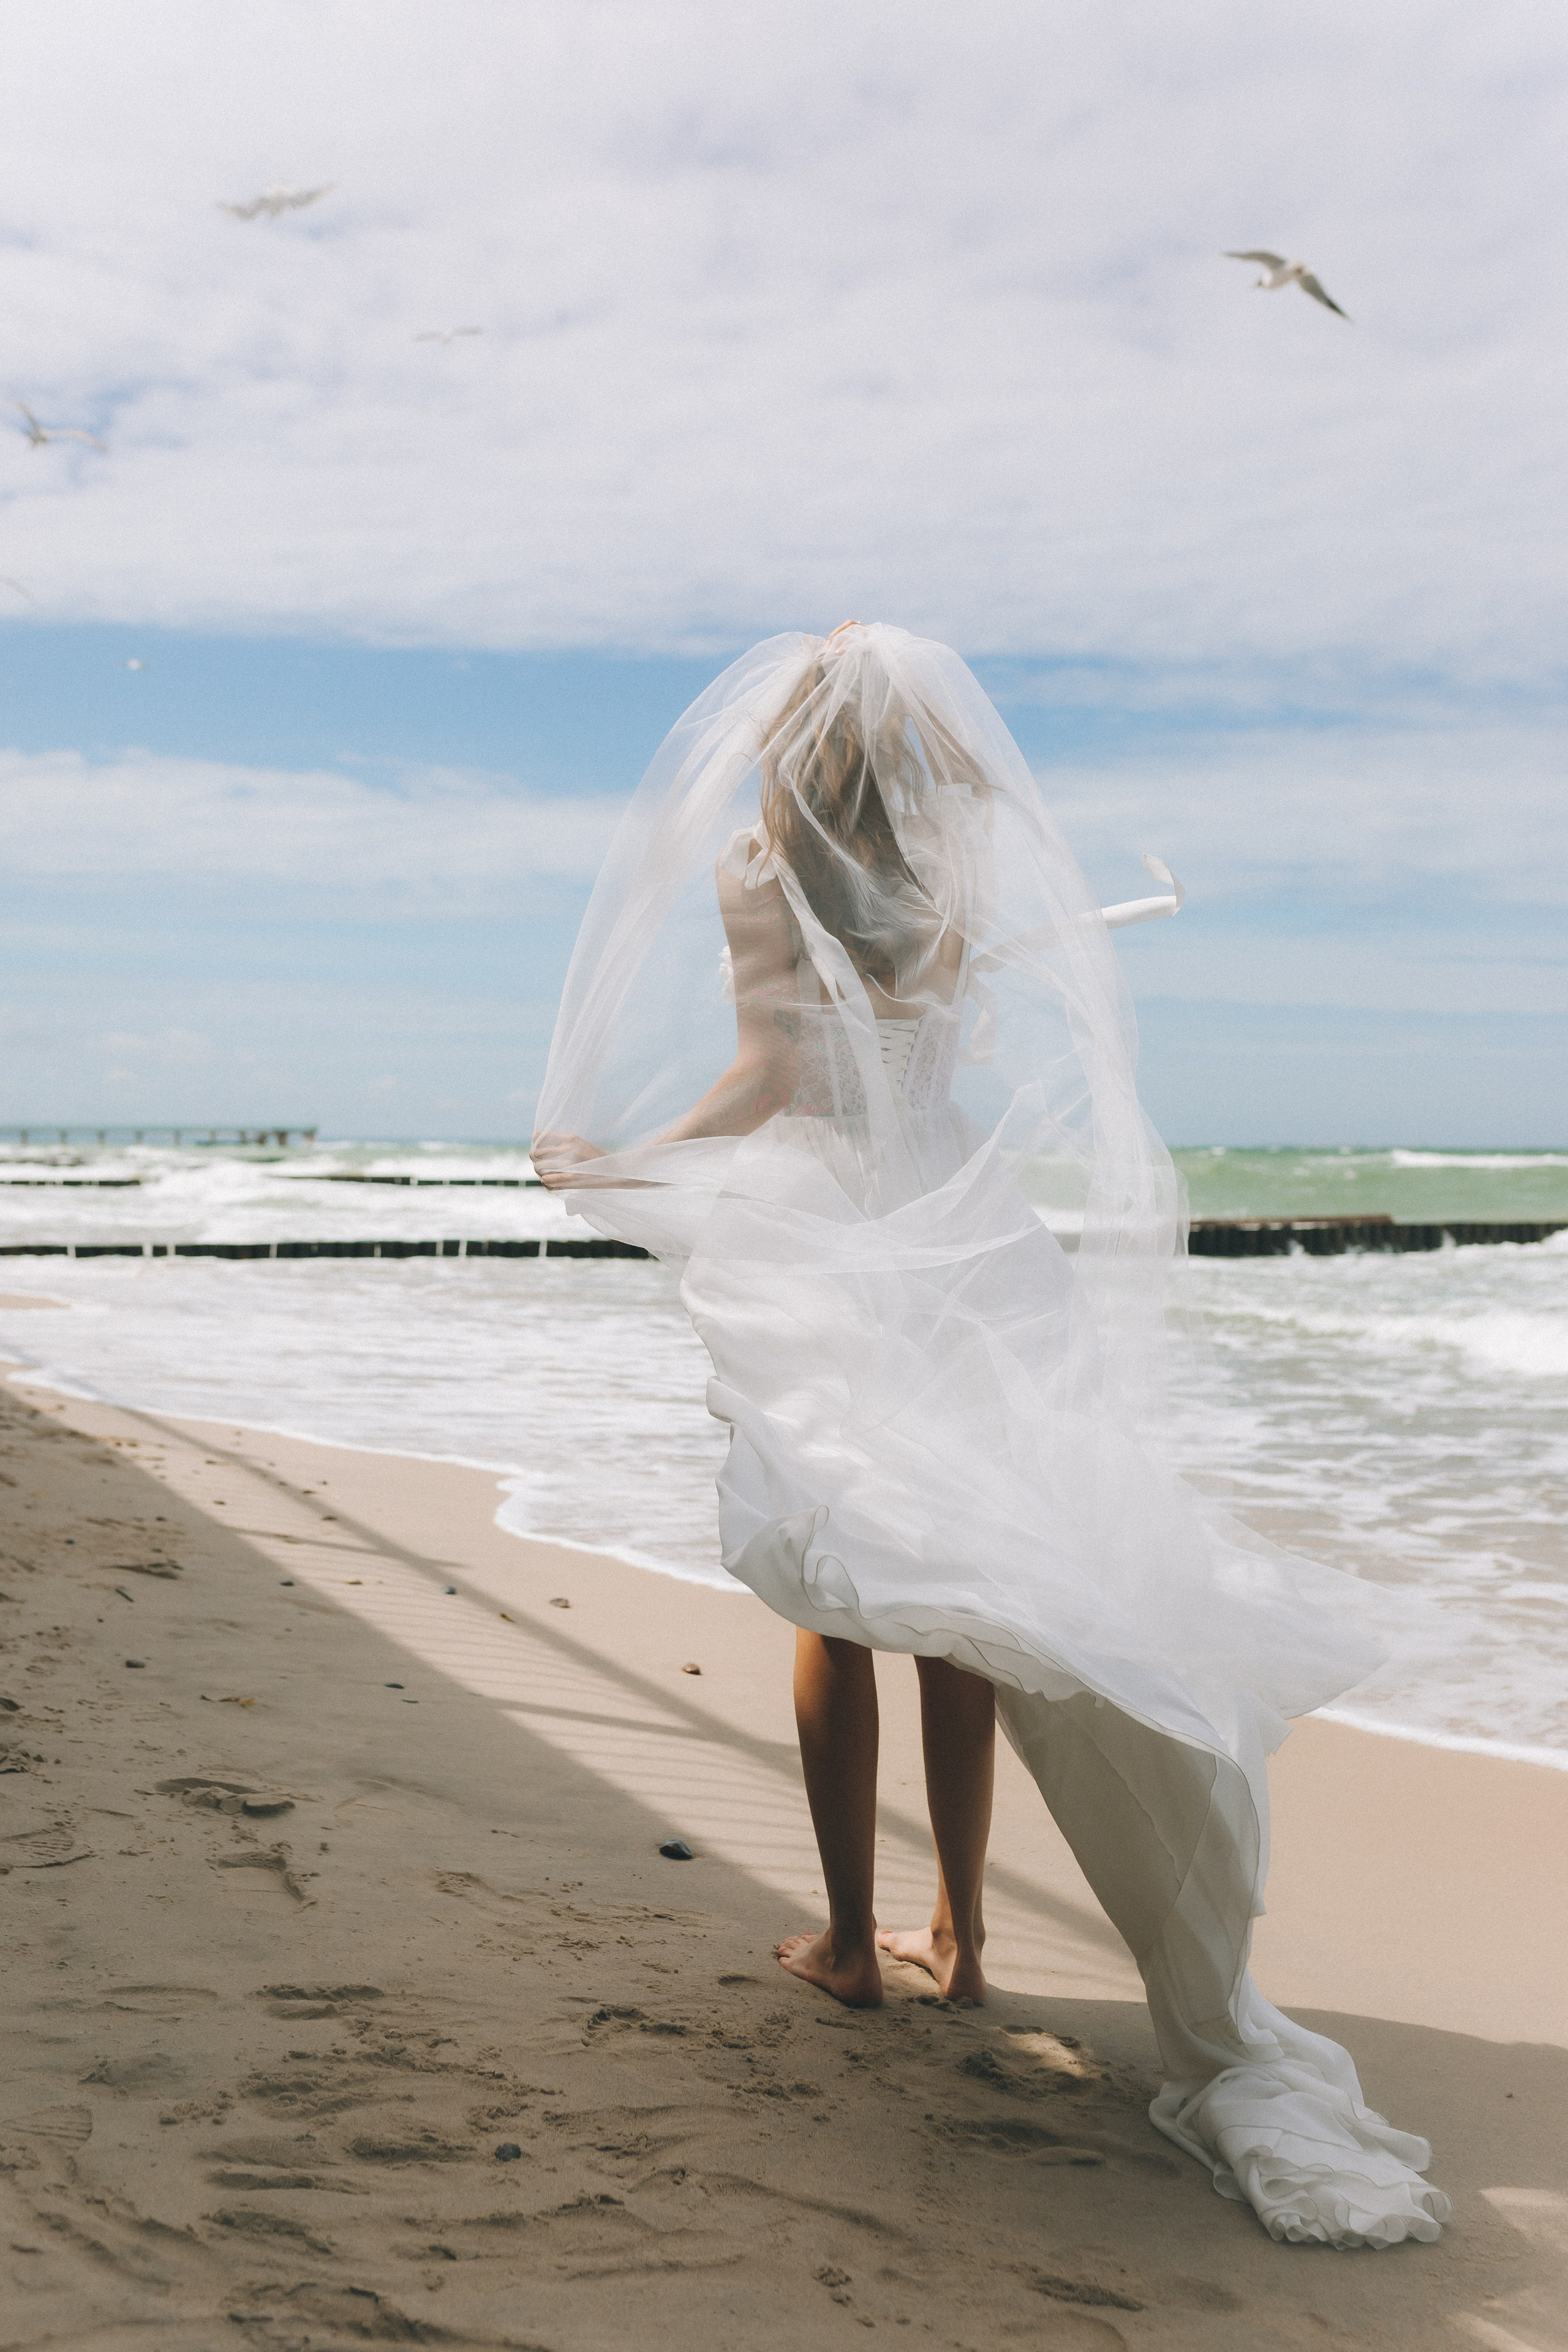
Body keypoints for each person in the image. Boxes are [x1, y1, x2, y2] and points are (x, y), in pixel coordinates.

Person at [532, 622, 1448, 2250]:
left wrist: (615, 1161)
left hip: (833, 1223)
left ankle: (846, 1939)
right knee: (968, 1580)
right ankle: (962, 1931)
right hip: (958, 1219)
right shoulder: (945, 883)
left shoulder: (762, 871)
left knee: (844, 1580)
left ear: (789, 746)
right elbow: (926, 1055)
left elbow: (768, 1070)